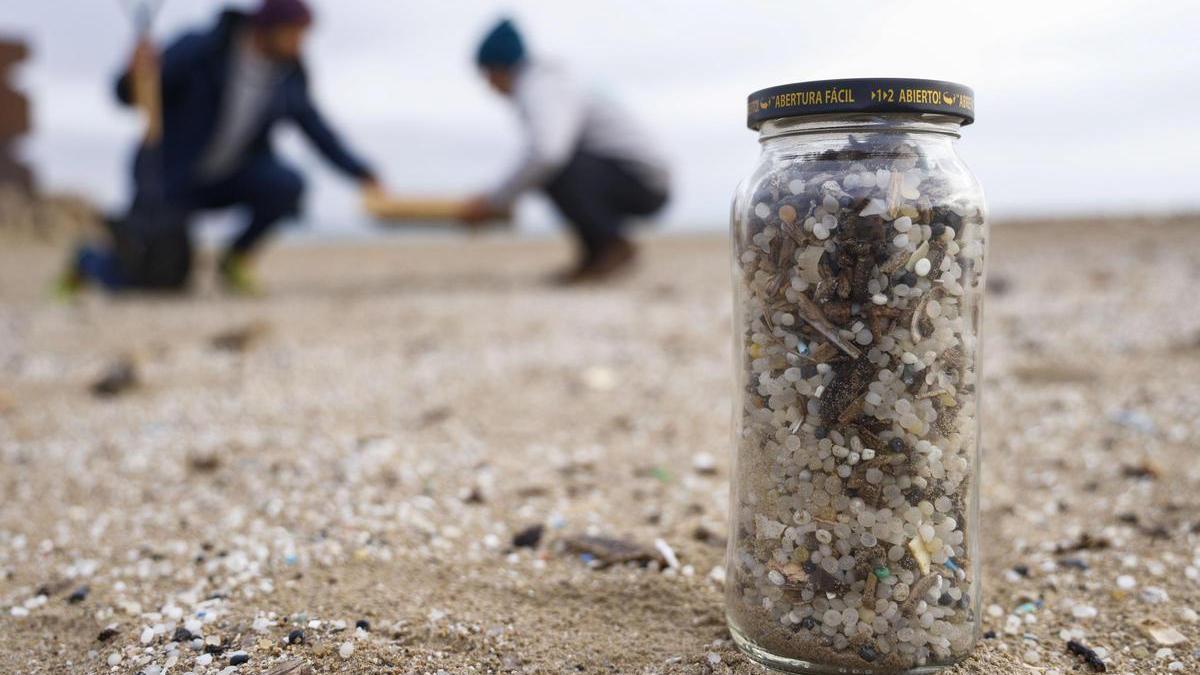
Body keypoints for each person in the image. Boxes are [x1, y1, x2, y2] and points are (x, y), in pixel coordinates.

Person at [65, 0, 379, 295]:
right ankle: (87, 262)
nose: (300, 43)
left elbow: (316, 130)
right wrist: (133, 74)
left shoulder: (289, 76)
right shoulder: (201, 49)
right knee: (157, 280)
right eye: (294, 34)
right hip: (167, 179)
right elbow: (129, 97)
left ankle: (234, 260)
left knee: (287, 185)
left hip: (230, 177)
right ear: (268, 28)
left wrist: (360, 172)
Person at [459, 19, 670, 284]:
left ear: (500, 67)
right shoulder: (548, 82)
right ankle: (596, 255)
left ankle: (610, 247)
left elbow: (546, 153)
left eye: (488, 74)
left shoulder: (541, 86)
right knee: (554, 167)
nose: (489, 85)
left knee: (554, 168)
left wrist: (493, 200)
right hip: (633, 173)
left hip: (643, 180)